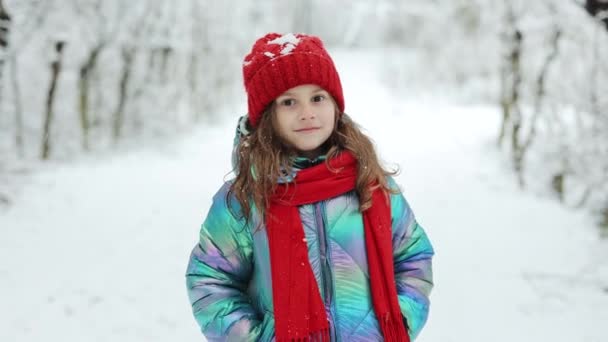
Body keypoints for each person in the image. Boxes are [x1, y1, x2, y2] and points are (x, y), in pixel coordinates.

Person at [186, 32, 434, 342]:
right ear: (267, 116)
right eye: (289, 102)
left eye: (318, 98)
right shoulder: (246, 198)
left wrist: (400, 323)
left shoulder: (370, 184)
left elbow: (413, 257)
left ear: (335, 106)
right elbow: (210, 280)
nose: (307, 113)